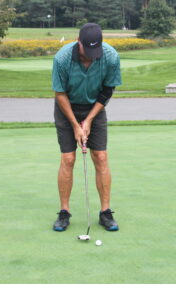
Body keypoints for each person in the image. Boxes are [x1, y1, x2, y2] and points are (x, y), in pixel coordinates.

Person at [51, 23, 122, 232]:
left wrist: (89, 120)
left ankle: (105, 212)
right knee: (68, 158)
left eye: (95, 51)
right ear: (78, 42)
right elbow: (60, 93)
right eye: (87, 51)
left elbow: (107, 91)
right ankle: (64, 212)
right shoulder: (62, 58)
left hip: (95, 107)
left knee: (100, 156)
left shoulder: (110, 56)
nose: (92, 56)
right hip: (67, 108)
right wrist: (75, 125)